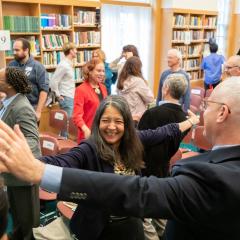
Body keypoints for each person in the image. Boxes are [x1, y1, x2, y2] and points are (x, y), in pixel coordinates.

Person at [0, 95, 198, 240]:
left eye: (118, 121)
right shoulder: (90, 148)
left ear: (127, 125)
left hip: (130, 225)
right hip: (96, 227)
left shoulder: (134, 140)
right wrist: (26, 164)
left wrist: (190, 121)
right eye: (105, 120)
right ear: (98, 123)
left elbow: (163, 132)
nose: (111, 127)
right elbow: (63, 162)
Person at [138, 73, 188, 240]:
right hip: (164, 168)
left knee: (142, 213)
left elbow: (139, 142)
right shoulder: (184, 119)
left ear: (165, 88)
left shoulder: (152, 114)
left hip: (143, 169)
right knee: (160, 209)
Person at [0, 67, 41, 240]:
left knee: (28, 224)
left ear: (9, 85)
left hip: (23, 176)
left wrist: (9, 153)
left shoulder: (22, 107)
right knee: (17, 218)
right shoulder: (8, 102)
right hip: (12, 175)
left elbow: (33, 141)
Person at [8, 38, 49, 122]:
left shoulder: (38, 67)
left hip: (31, 108)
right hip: (14, 108)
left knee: (29, 134)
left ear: (26, 50)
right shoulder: (11, 65)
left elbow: (44, 90)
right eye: (13, 50)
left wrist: (38, 111)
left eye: (17, 50)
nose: (14, 53)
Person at [72, 59, 108, 143]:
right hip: (88, 134)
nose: (102, 74)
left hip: (103, 133)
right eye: (98, 71)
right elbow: (76, 116)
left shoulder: (103, 88)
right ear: (90, 71)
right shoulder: (81, 89)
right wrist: (85, 129)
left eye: (103, 71)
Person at [117, 56, 154, 123]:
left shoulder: (121, 81)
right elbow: (150, 98)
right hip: (137, 118)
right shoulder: (138, 81)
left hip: (124, 116)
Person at [50, 42, 77, 118]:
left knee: (68, 125)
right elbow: (53, 81)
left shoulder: (69, 64)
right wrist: (58, 95)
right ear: (71, 51)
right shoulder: (64, 65)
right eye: (75, 49)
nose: (76, 51)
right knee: (66, 125)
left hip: (70, 97)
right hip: (66, 98)